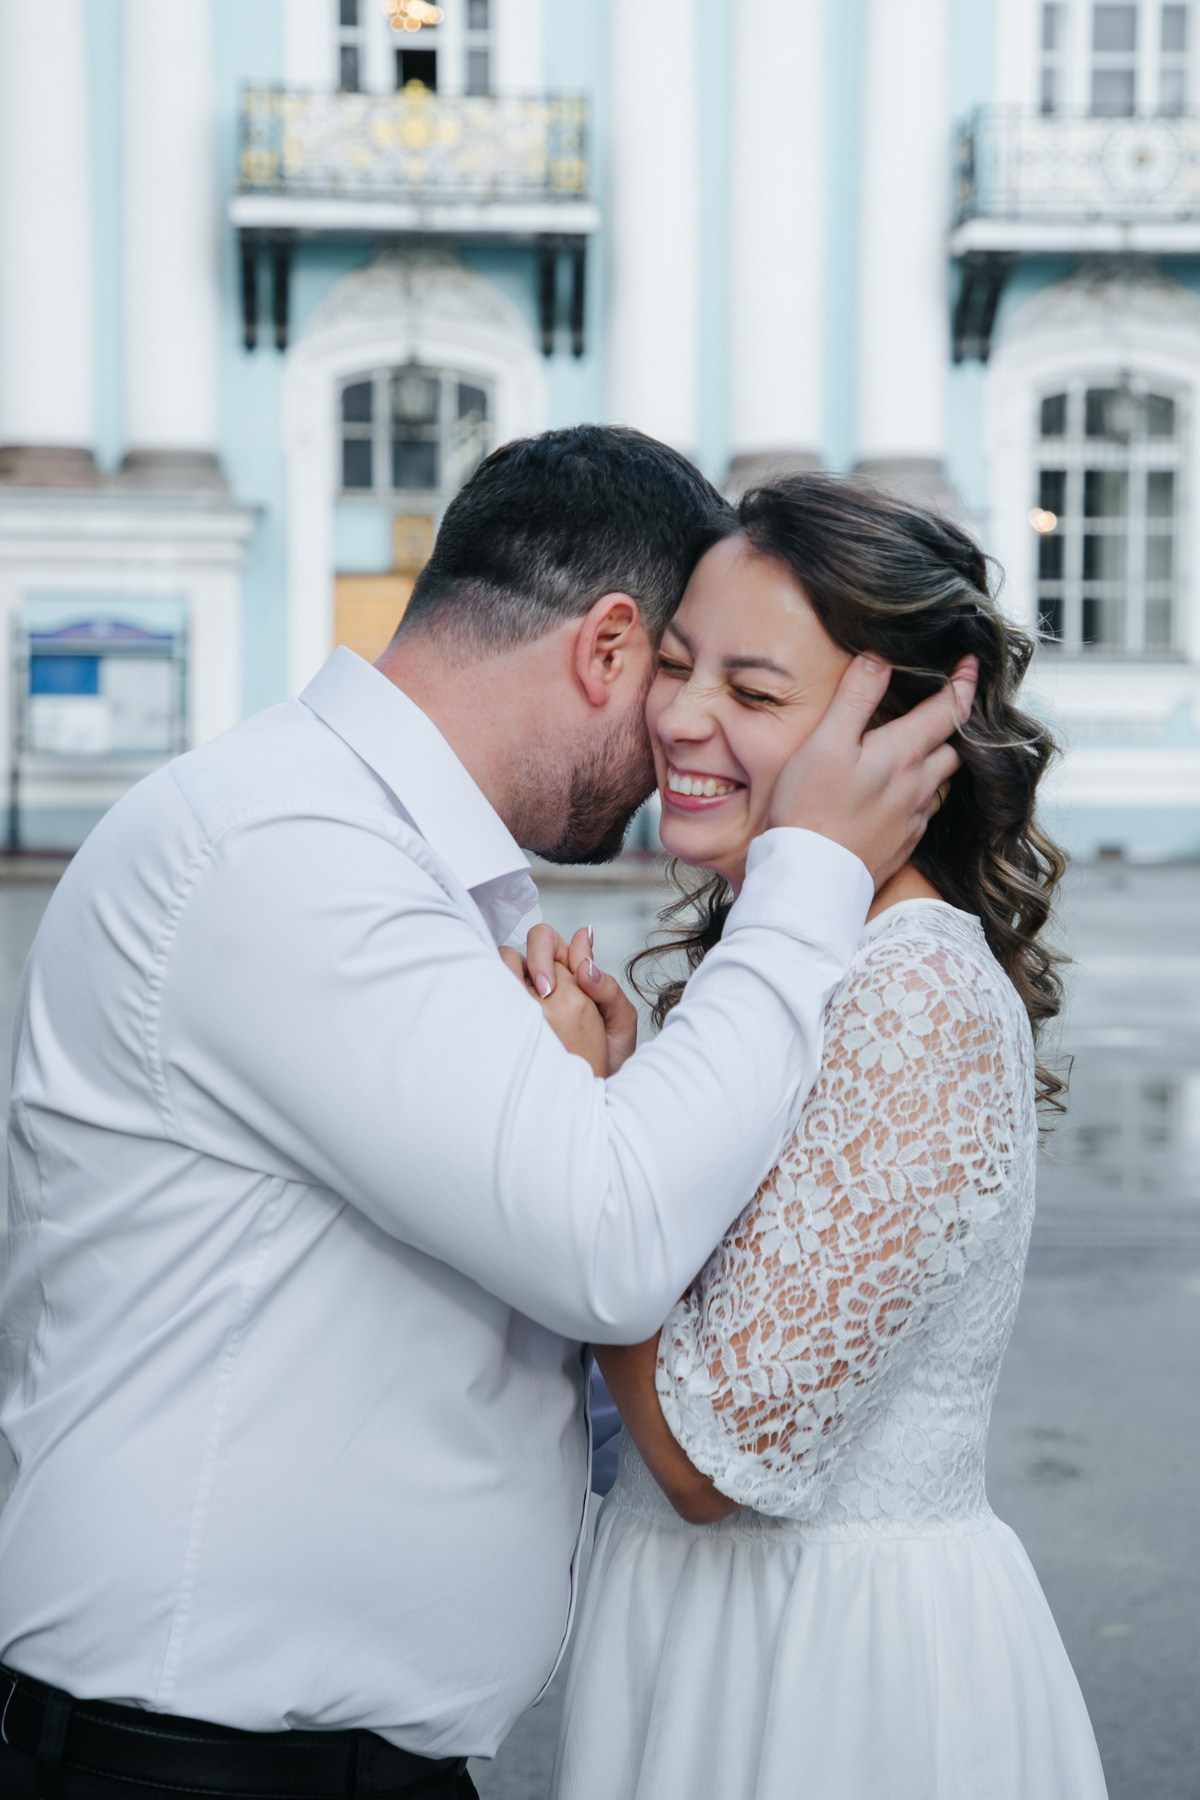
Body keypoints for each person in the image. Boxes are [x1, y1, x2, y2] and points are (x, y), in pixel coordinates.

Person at [0, 429, 973, 1800]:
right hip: (200, 1760)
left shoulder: (388, 856)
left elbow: (535, 1292)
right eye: (680, 676)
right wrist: (807, 875)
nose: (682, 737)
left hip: (324, 1758)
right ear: (607, 648)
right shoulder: (290, 851)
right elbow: (607, 1239)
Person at [550, 476, 1110, 1800]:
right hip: (716, 1633)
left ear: (905, 731)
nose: (681, 717)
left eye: (754, 693)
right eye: (677, 666)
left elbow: (704, 1463)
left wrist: (590, 1152)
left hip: (834, 1676)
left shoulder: (908, 989)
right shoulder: (785, 958)